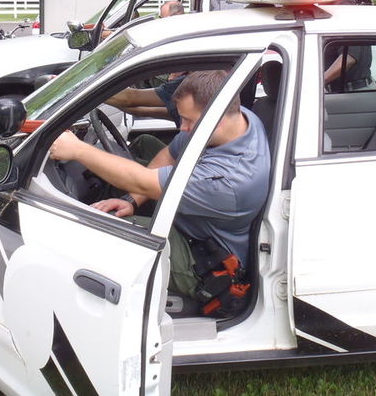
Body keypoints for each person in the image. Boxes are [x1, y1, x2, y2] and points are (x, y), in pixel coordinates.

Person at [49, 70, 271, 299]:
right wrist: (132, 201)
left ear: (218, 120)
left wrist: (77, 150)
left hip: (204, 259)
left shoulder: (228, 181)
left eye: (188, 121)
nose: (182, 127)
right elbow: (171, 153)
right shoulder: (239, 117)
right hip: (196, 224)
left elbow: (144, 182)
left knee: (99, 231)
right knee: (144, 145)